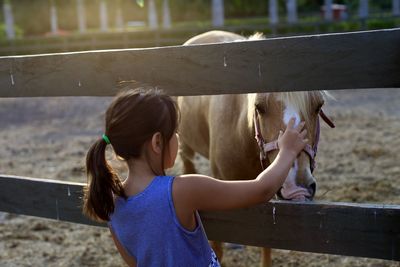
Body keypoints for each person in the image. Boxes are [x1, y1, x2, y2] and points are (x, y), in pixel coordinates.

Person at [83, 87, 308, 267]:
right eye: (175, 133)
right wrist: (286, 151)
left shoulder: (111, 207)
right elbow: (262, 189)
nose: (179, 138)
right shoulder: (182, 190)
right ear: (157, 143)